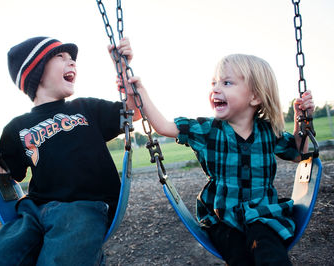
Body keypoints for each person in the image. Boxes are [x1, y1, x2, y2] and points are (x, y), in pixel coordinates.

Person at [120, 53, 314, 265]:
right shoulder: (207, 131)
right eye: (214, 83)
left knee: (271, 253)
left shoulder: (268, 132)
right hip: (222, 218)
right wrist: (141, 93)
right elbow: (164, 127)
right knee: (240, 256)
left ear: (255, 97)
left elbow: (299, 153)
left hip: (263, 214)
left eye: (227, 82)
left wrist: (302, 119)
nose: (216, 89)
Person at [0, 36, 139, 265]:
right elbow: (3, 175)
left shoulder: (86, 108)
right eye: (61, 56)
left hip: (84, 208)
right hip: (33, 211)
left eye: (72, 59)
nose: (72, 62)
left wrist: (123, 69)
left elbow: (133, 111)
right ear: (36, 71)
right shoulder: (17, 127)